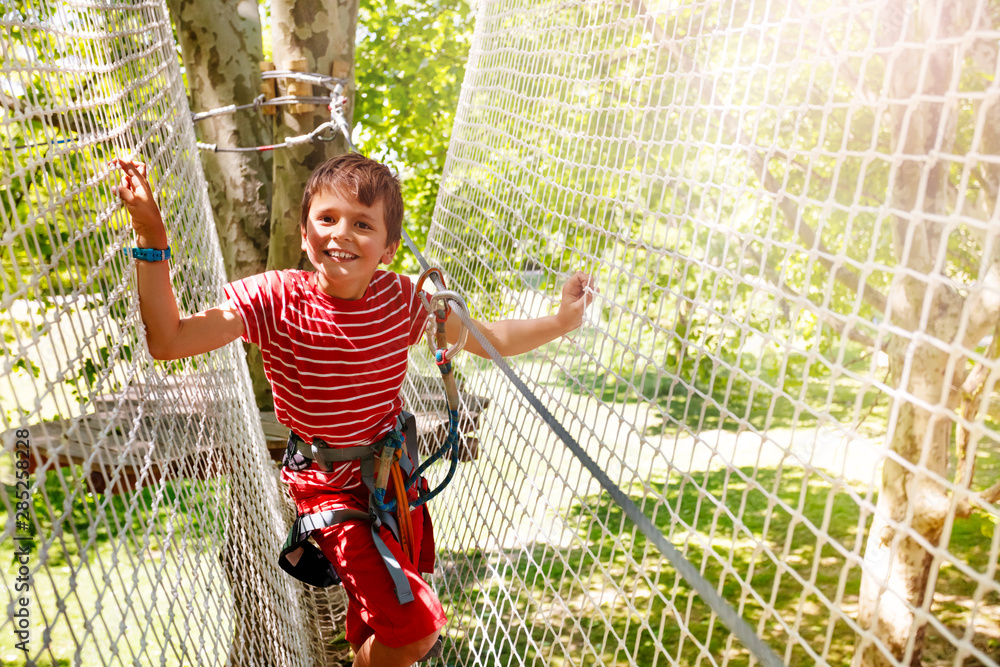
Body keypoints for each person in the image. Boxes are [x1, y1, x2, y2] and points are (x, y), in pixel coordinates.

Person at [111, 153, 596, 667]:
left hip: (391, 478)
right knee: (414, 631)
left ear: (388, 250)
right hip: (326, 486)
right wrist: (151, 238)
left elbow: (489, 337)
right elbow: (170, 339)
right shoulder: (275, 298)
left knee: (379, 618)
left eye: (362, 224)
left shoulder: (402, 300)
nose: (341, 233)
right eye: (327, 219)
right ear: (304, 234)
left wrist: (561, 321)